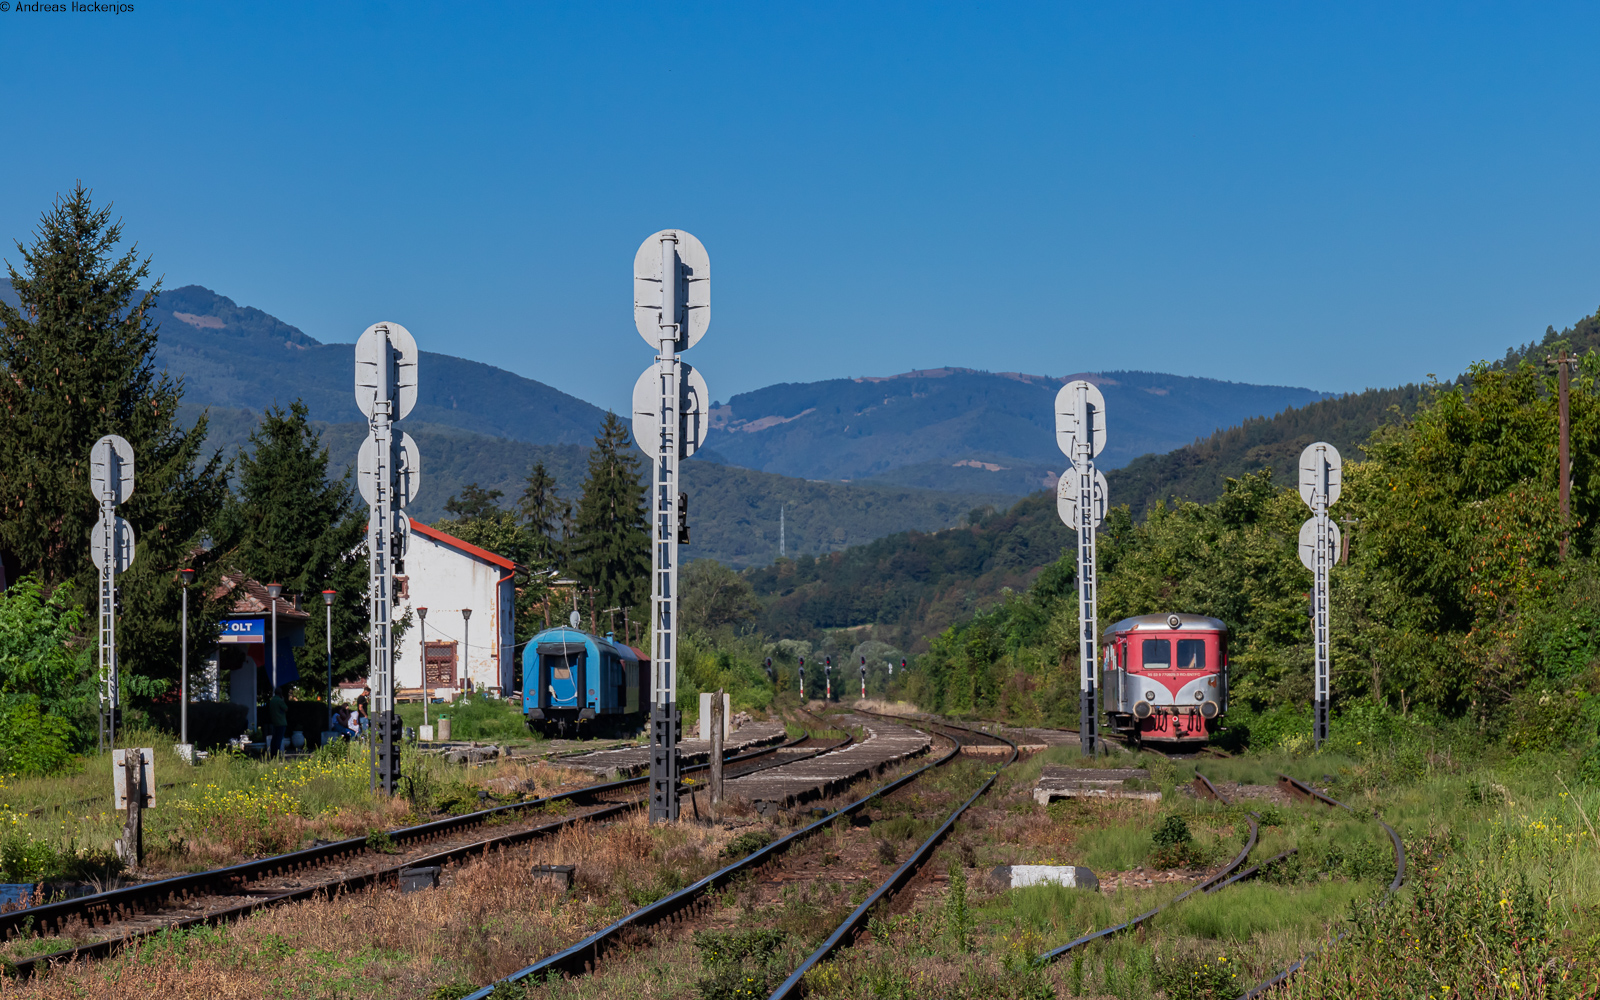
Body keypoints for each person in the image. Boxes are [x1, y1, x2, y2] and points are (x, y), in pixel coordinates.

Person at [266, 687, 289, 756]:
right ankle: (277, 754)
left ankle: (273, 753)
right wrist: (283, 700)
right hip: (281, 722)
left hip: (274, 722)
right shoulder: (279, 700)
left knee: (274, 739)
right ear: (280, 693)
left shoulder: (272, 700)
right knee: (279, 739)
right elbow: (286, 709)